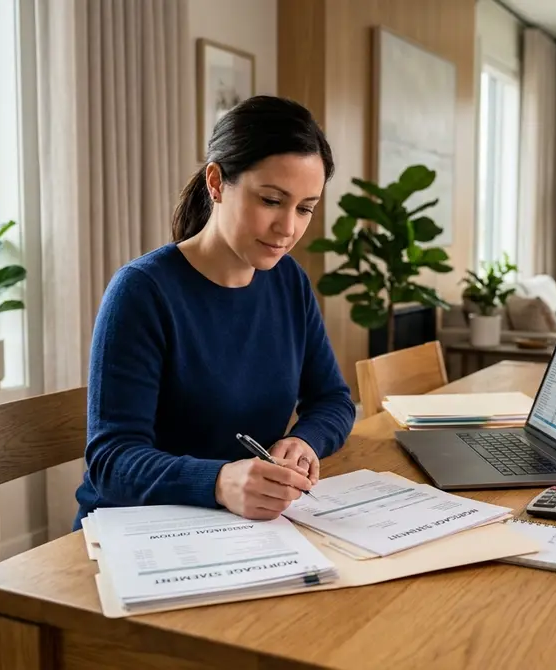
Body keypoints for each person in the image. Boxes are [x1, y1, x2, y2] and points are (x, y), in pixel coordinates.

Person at [72, 95, 356, 530]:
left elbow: (333, 399)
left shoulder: (288, 282)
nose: (288, 228)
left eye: (304, 208)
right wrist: (219, 481)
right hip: (138, 533)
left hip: (241, 527)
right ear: (217, 183)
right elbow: (112, 462)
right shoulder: (142, 291)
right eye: (270, 201)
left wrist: (304, 440)